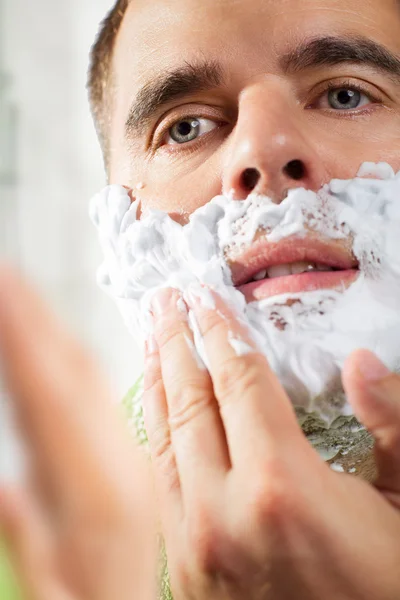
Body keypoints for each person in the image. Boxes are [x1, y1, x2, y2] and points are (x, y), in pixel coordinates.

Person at [2, 0, 400, 598]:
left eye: (346, 94)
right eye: (185, 126)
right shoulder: (42, 556)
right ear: (116, 220)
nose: (263, 152)